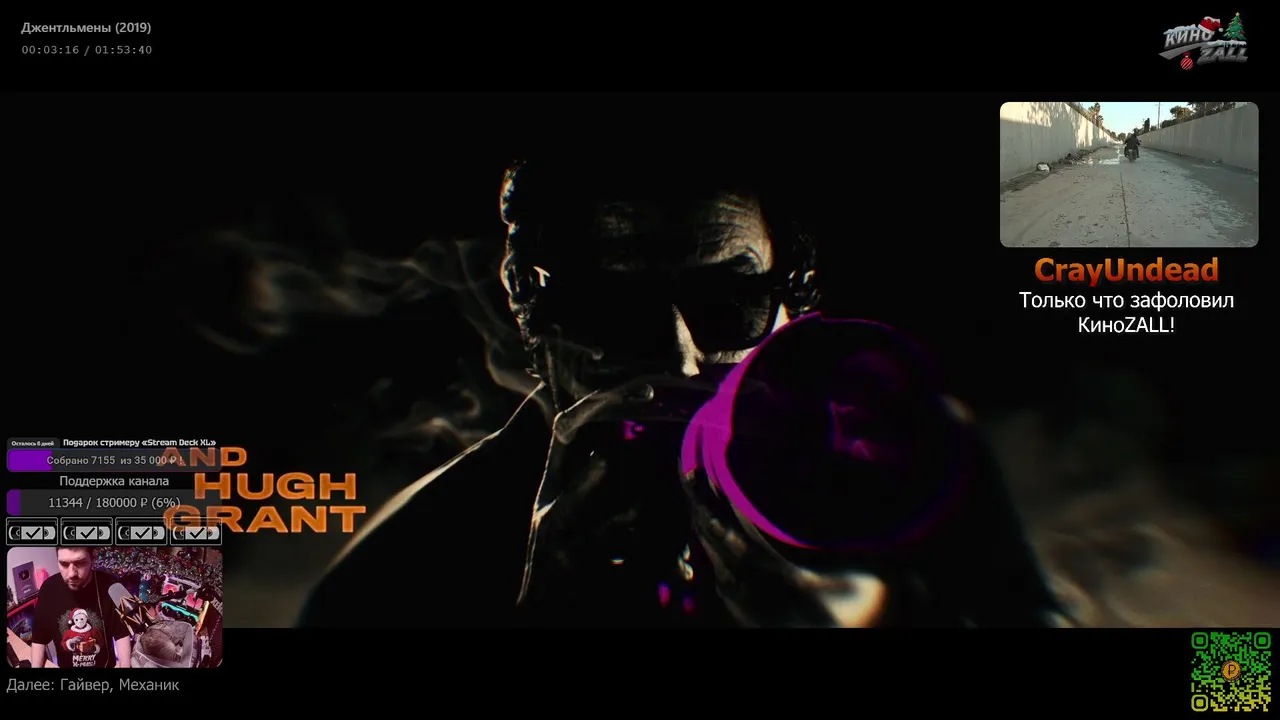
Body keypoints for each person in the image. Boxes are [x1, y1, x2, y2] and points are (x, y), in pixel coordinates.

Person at [298, 152, 1063, 628]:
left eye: (727, 304)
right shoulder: (405, 572)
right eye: (606, 309)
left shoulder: (906, 471)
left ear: (795, 299)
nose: (677, 358)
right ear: (527, 301)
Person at [30, 547, 131, 668]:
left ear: (92, 559)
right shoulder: (49, 588)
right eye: (64, 564)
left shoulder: (110, 585)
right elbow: (39, 639)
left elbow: (122, 634)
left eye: (80, 563)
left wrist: (125, 664)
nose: (72, 574)